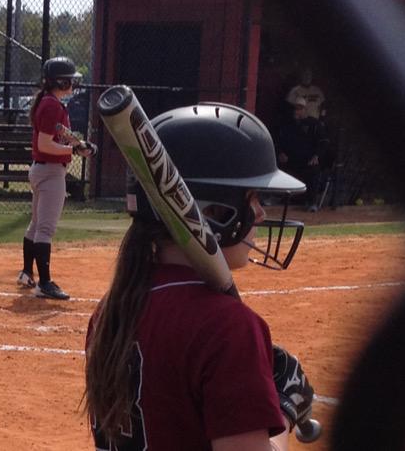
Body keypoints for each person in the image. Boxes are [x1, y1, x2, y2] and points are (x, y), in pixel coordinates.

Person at [84, 101, 317, 451]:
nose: (261, 213)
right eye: (252, 198)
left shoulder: (112, 308)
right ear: (214, 212)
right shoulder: (227, 326)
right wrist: (284, 408)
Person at [19, 57, 93, 300]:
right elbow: (45, 144)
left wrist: (79, 143)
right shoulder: (51, 105)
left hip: (43, 170)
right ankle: (45, 283)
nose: (72, 83)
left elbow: (59, 132)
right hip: (50, 171)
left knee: (36, 224)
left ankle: (27, 273)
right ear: (59, 81)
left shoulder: (50, 102)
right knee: (45, 229)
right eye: (69, 79)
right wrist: (74, 150)